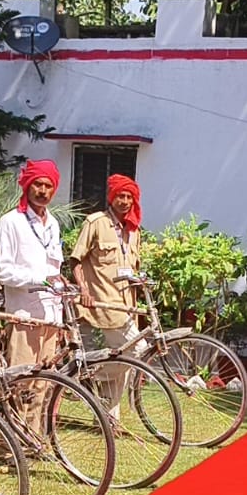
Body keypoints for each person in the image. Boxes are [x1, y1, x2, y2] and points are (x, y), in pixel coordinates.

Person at [72, 174, 145, 420]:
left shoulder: (134, 229)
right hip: (103, 302)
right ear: (111, 197)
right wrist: (83, 289)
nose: (124, 201)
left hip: (127, 305)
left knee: (121, 359)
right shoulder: (96, 223)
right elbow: (76, 260)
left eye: (129, 197)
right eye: (120, 196)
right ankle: (85, 377)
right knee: (137, 351)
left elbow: (131, 267)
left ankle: (108, 419)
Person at [0, 160, 65, 367]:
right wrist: (41, 280)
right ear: (27, 186)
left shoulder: (53, 223)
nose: (43, 191)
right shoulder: (11, 221)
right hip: (24, 316)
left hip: (51, 317)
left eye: (48, 186)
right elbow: (3, 272)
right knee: (22, 379)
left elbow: (55, 271)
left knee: (46, 381)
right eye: (37, 184)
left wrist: (60, 317)